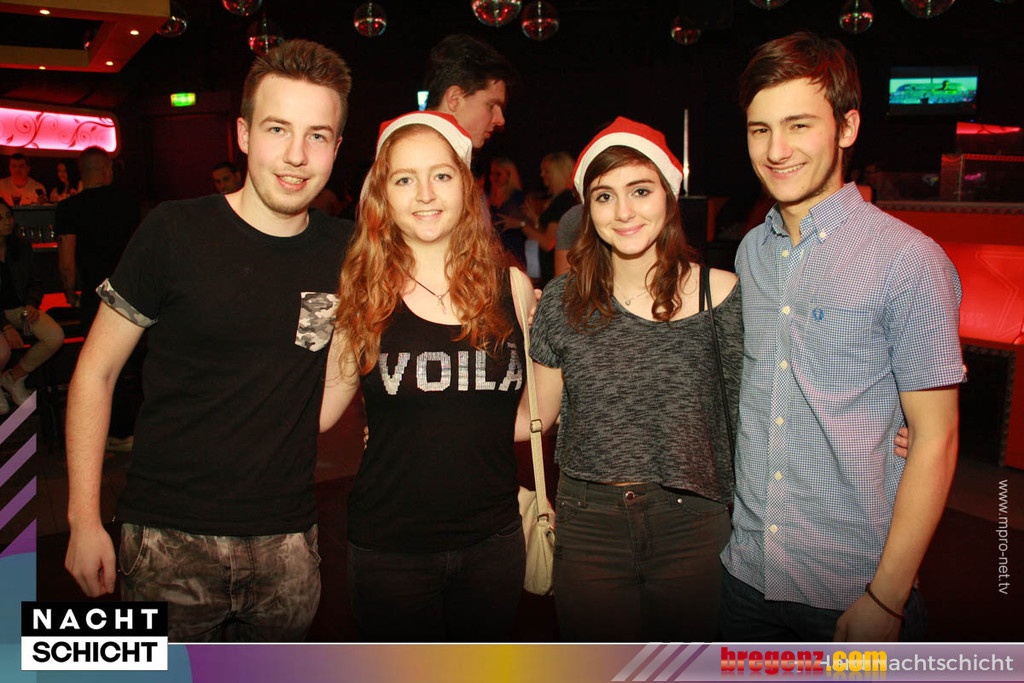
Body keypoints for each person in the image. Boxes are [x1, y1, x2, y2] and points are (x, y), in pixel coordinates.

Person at [63, 39, 354, 642]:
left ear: (336, 147)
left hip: (288, 544)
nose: (296, 155)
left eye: (318, 135)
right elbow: (96, 373)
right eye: (278, 129)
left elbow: (325, 405)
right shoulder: (174, 231)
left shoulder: (348, 252)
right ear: (244, 134)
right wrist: (83, 518)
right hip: (166, 539)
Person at [720, 32, 963, 642]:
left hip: (853, 589)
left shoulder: (908, 259)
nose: (776, 150)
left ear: (847, 127)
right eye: (759, 130)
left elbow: (936, 437)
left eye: (799, 125)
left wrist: (887, 597)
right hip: (745, 578)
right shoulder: (752, 252)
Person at [525, 118, 742, 641]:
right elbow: (535, 416)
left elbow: (765, 409)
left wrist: (891, 426)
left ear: (668, 195)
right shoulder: (562, 301)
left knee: (686, 669)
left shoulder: (725, 295)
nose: (623, 211)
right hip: (589, 522)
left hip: (693, 523)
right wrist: (418, 416)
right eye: (605, 196)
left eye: (640, 191)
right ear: (588, 209)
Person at [322, 111, 535, 641]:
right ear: (383, 196)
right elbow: (320, 411)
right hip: (390, 550)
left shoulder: (511, 287)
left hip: (493, 541)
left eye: (440, 174)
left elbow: (528, 417)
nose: (424, 194)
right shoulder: (361, 292)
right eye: (404, 179)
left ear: (465, 186)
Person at [0, 198, 65, 411]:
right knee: (2, 353)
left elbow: (34, 282)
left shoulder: (21, 247)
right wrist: (5, 327)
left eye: (9, 216)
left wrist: (31, 304)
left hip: (19, 309)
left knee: (54, 336)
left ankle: (14, 377)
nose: (7, 222)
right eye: (1, 218)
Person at [424, 34, 518, 150]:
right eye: (491, 106)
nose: (500, 120)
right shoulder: (418, 149)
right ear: (455, 99)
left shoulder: (427, 146)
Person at [522, 151, 577, 286]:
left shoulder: (563, 201)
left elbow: (549, 243)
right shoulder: (559, 199)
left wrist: (522, 225)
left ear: (558, 173)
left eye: (546, 171)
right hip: (552, 272)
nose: (542, 175)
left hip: (557, 274)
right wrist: (535, 220)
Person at [488, 157, 528, 268]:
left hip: (513, 248)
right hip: (497, 249)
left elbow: (525, 221)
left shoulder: (517, 196)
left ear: (509, 175)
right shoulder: (492, 197)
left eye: (498, 174)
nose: (494, 177)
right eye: (492, 174)